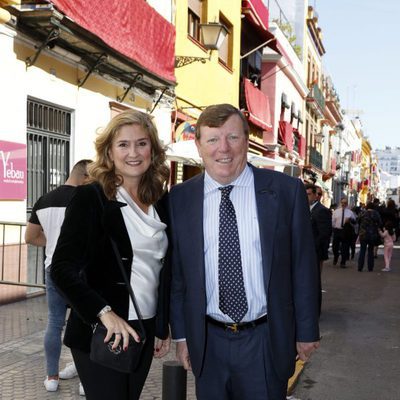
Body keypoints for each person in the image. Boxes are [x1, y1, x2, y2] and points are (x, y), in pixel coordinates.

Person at [168, 104, 320, 400]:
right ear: (198, 145)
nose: (223, 148)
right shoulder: (180, 198)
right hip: (207, 340)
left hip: (266, 338)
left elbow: (303, 266)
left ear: (246, 142)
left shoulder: (286, 191)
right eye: (212, 139)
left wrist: (306, 330)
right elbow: (178, 276)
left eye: (233, 138)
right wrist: (183, 335)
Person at [50, 110, 171, 400]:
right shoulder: (92, 197)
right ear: (109, 151)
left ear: (152, 149)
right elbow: (61, 268)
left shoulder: (161, 200)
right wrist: (104, 313)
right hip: (104, 330)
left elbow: (161, 269)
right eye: (123, 145)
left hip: (142, 327)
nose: (133, 152)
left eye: (142, 143)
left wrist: (161, 325)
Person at [25, 159, 91, 393]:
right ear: (85, 176)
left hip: (54, 269)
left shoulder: (44, 200)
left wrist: (54, 243)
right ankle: (86, 379)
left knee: (55, 322)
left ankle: (52, 377)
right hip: (82, 269)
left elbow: (31, 237)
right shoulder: (85, 199)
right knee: (86, 322)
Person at [305, 183, 332, 315]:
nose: (306, 196)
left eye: (309, 194)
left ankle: (315, 311)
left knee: (315, 282)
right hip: (307, 252)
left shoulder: (321, 210)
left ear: (316, 195)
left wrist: (313, 249)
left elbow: (324, 234)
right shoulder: (307, 209)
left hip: (314, 252)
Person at [357, 202, 382, 272]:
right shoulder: (376, 213)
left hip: (363, 234)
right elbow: (380, 223)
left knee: (362, 250)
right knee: (370, 251)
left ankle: (360, 267)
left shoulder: (362, 213)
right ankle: (370, 267)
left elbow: (357, 220)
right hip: (372, 234)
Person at [331, 198, 356, 268]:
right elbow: (332, 222)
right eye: (342, 202)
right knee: (335, 247)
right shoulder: (336, 212)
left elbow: (354, 222)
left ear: (347, 204)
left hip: (345, 231)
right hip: (337, 230)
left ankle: (343, 262)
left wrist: (350, 220)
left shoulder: (350, 212)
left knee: (345, 247)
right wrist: (334, 228)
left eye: (345, 203)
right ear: (340, 203)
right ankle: (336, 256)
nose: (343, 204)